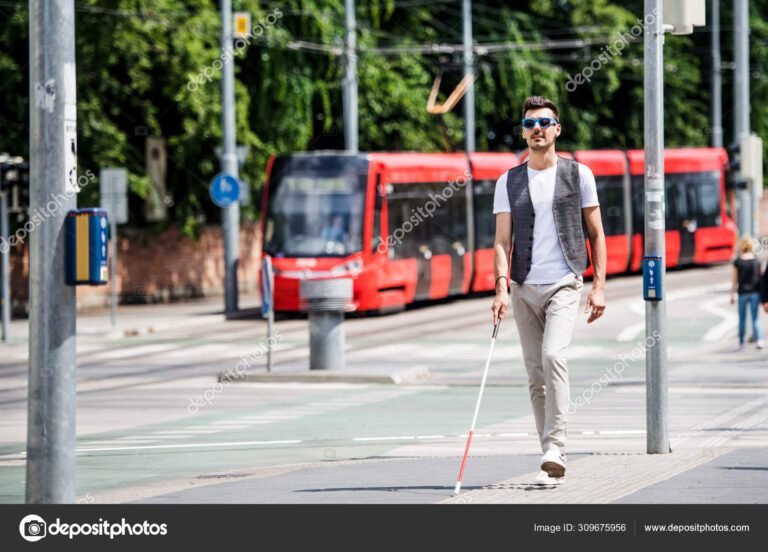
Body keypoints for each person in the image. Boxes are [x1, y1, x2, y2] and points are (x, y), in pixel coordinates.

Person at [491, 96, 607, 485]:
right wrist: (501, 288)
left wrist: (599, 287)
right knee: (534, 374)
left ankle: (557, 445)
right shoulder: (508, 181)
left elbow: (596, 233)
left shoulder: (579, 175)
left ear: (557, 129)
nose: (536, 129)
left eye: (544, 122)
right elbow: (501, 241)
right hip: (523, 285)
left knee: (554, 355)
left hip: (564, 281)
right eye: (529, 124)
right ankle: (550, 455)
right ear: (523, 132)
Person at [730, 236, 764, 350]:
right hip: (755, 293)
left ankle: (741, 342)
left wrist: (732, 294)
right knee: (755, 318)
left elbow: (734, 280)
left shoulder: (738, 262)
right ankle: (759, 340)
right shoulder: (757, 261)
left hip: (742, 293)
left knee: (742, 319)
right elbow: (761, 278)